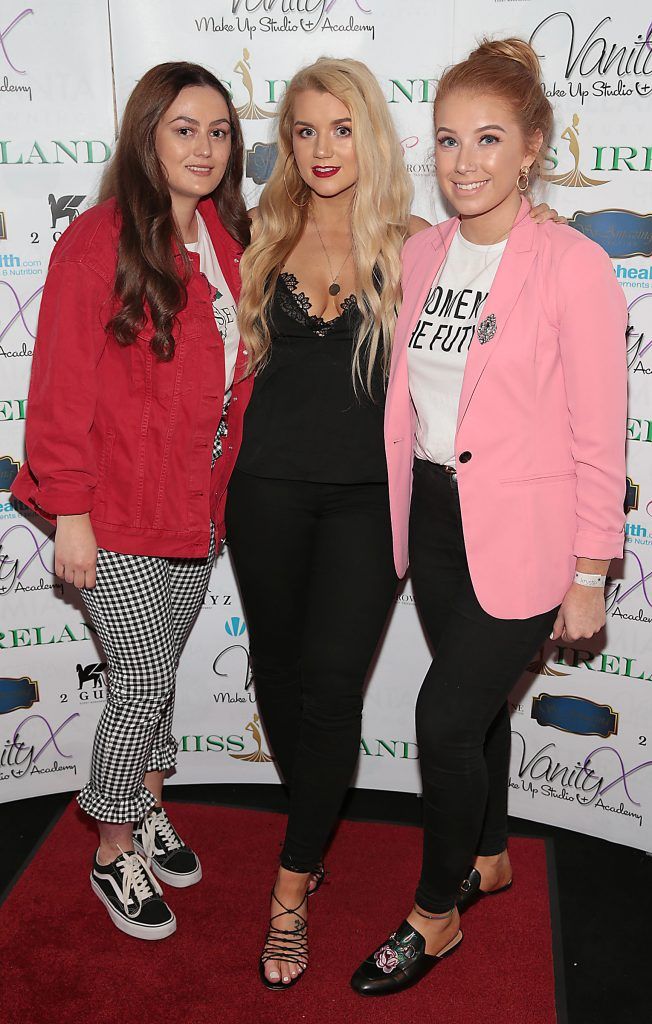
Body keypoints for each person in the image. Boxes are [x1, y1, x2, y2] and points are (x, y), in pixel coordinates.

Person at [227, 56, 562, 989]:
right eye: (304, 130)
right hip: (264, 492)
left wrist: (546, 233)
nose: (324, 148)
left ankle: (292, 884)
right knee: (277, 674)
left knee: (334, 688)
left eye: (342, 127)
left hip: (375, 504)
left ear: (370, 132)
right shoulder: (257, 231)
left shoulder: (416, 242)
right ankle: (316, 825)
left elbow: (503, 305)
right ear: (285, 144)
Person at [350, 38, 627, 996]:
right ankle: (494, 854)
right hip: (431, 518)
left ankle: (435, 917)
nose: (464, 162)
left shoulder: (575, 265)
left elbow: (602, 436)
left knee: (441, 714)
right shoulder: (422, 251)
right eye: (448, 140)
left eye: (489, 139)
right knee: (474, 717)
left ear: (532, 146)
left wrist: (591, 572)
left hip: (527, 537)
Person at [12, 62, 253, 940]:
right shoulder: (101, 238)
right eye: (184, 128)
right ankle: (113, 845)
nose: (205, 146)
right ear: (147, 134)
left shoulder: (229, 241)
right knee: (145, 677)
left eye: (219, 130)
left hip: (195, 508)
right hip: (110, 513)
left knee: (147, 678)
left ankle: (149, 803)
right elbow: (60, 389)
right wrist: (68, 513)